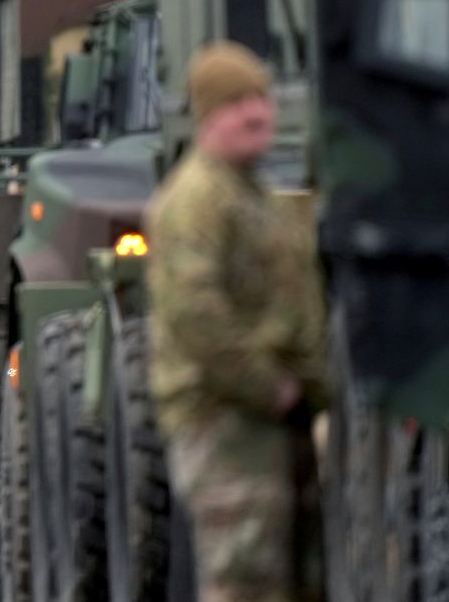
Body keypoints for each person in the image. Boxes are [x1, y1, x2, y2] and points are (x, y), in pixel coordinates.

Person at [146, 41, 326, 602]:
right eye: (238, 104)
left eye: (261, 100)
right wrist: (271, 389)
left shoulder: (255, 196)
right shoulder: (195, 199)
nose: (257, 114)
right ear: (207, 116)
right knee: (245, 584)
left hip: (274, 423)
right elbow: (194, 315)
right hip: (226, 423)